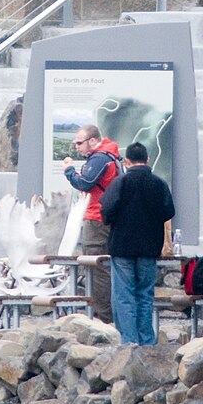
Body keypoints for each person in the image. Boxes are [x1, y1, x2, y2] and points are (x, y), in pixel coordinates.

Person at [99, 142, 175, 346]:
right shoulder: (159, 183)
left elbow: (106, 210)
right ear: (147, 160)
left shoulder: (120, 182)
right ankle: (147, 341)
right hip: (149, 248)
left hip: (122, 247)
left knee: (124, 295)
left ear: (127, 161)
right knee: (144, 295)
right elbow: (168, 212)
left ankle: (129, 342)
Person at [63, 124, 121, 325]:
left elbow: (84, 183)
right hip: (104, 218)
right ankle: (106, 314)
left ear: (93, 141)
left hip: (96, 219)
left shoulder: (99, 158)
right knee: (103, 268)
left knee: (97, 268)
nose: (76, 146)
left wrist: (69, 171)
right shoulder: (110, 156)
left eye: (79, 142)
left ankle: (103, 317)